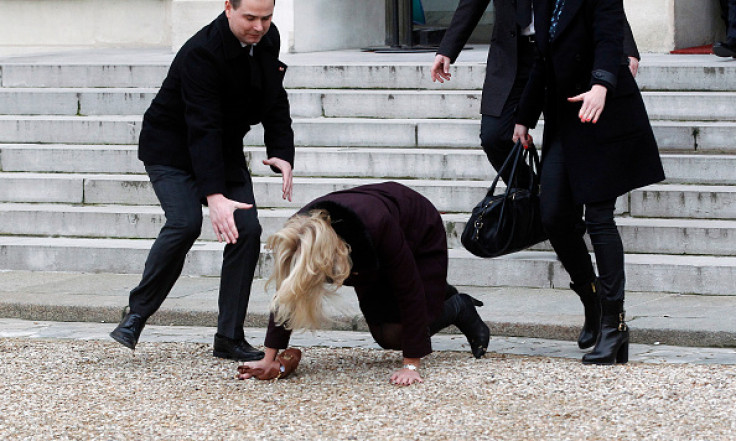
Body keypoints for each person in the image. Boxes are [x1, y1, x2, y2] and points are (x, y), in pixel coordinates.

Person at [430, 0, 640, 352]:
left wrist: (620, 56)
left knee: (591, 213)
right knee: (496, 137)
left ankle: (609, 318)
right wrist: (448, 48)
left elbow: (606, 12)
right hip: (518, 58)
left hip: (574, 65)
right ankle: (547, 204)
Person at [110, 0, 294, 362]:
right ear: (228, 7)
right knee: (184, 223)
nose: (259, 27)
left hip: (222, 150)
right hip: (171, 150)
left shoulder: (267, 39)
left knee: (247, 230)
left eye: (267, 18)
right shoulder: (200, 52)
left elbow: (275, 97)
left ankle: (229, 337)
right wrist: (213, 195)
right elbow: (202, 125)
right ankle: (135, 316)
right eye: (250, 18)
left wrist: (282, 151)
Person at [513, 0, 665, 364]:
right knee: (553, 215)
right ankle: (593, 297)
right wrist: (524, 117)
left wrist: (601, 83)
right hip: (565, 120)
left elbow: (610, 40)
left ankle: (614, 326)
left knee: (599, 218)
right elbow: (543, 59)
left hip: (603, 114)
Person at [236, 182, 490, 385]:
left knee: (400, 335)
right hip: (364, 245)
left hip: (416, 229)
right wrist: (269, 358)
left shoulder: (376, 226)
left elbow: (408, 288)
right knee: (384, 336)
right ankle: (436, 294)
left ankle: (458, 306)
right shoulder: (300, 233)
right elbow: (288, 293)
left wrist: (411, 365)